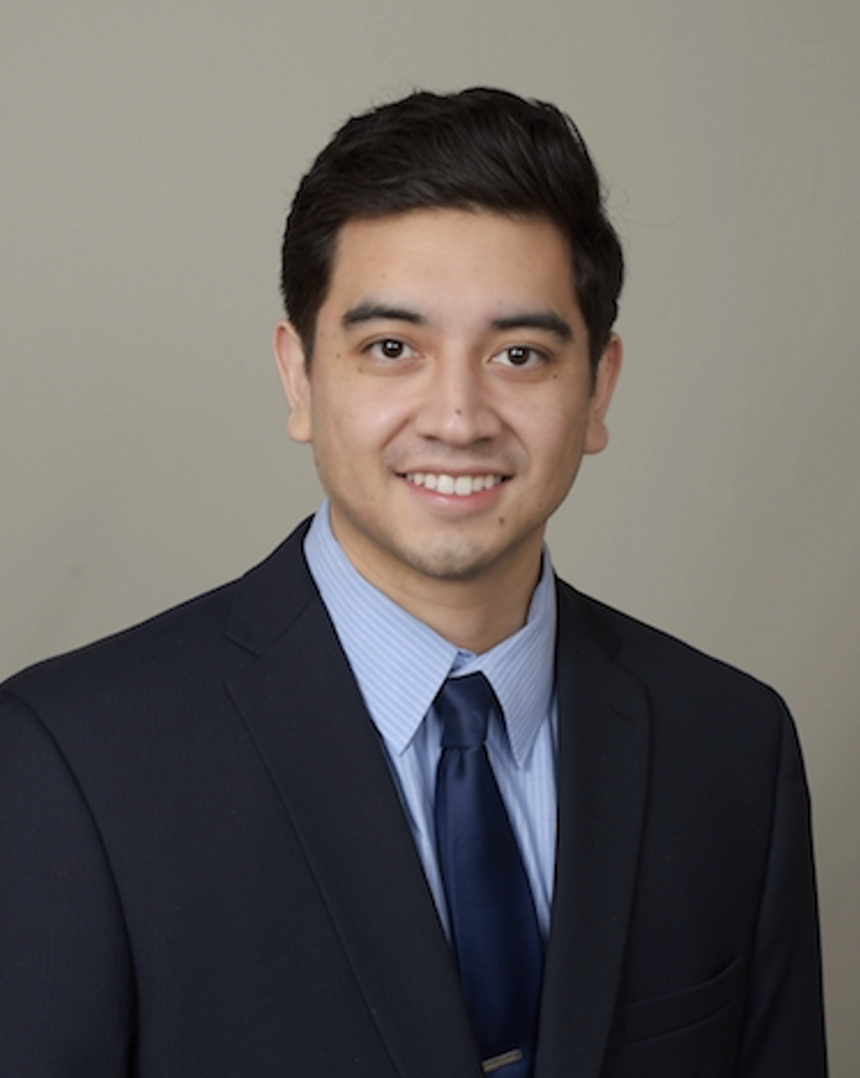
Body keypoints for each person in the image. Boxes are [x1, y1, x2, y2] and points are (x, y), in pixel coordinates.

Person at [0, 88, 826, 1077]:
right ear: (299, 377)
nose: (458, 417)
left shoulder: (732, 747)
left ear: (597, 387)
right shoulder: (71, 763)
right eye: (392, 349)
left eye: (519, 354)